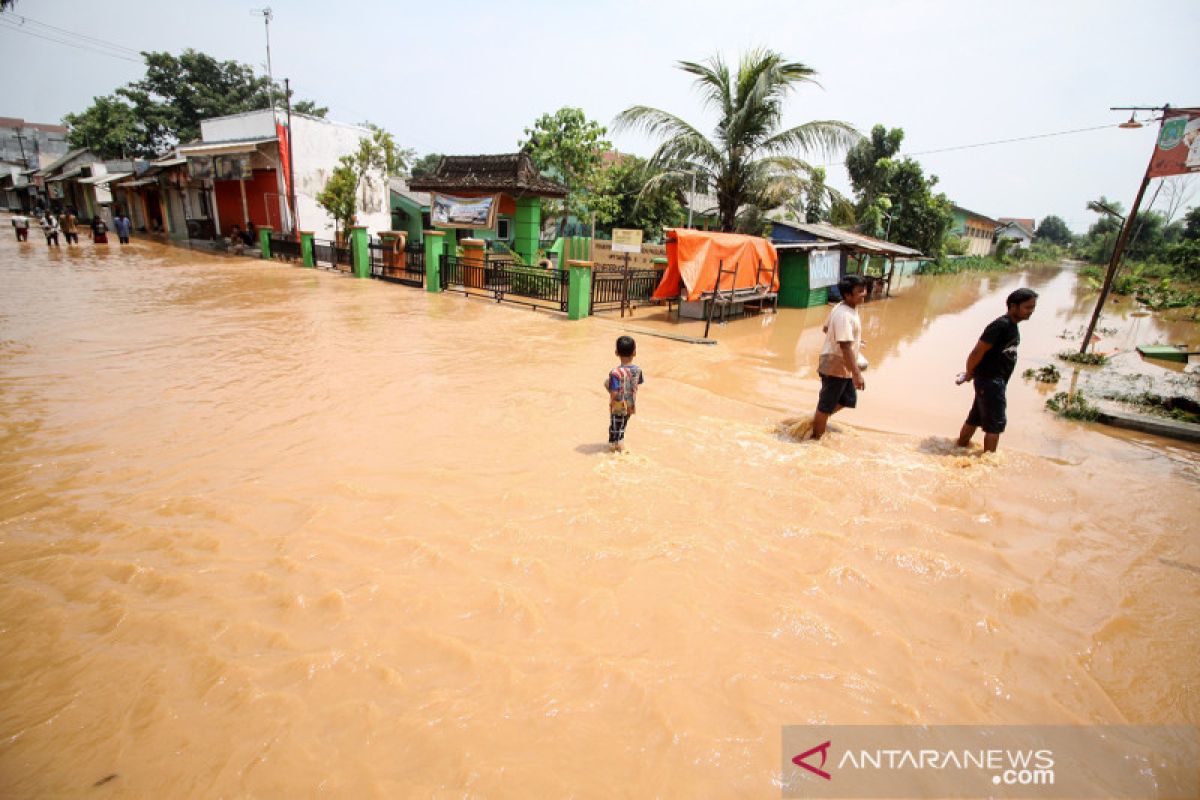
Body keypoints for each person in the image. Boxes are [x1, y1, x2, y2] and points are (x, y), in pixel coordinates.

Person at [956, 288, 1039, 454]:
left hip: (991, 382)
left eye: (1033, 307)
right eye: (1028, 307)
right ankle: (988, 464)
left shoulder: (1012, 327)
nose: (1031, 311)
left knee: (975, 418)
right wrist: (969, 373)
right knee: (995, 426)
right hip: (991, 382)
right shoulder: (1001, 325)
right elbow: (977, 352)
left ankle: (958, 447)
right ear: (1013, 306)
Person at [811, 274, 867, 440]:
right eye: (860, 291)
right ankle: (815, 439)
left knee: (848, 399)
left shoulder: (845, 307)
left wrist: (855, 340)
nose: (864, 293)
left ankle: (815, 419)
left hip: (842, 366)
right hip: (835, 366)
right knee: (825, 406)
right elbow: (844, 346)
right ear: (847, 295)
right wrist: (857, 374)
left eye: (864, 290)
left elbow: (826, 329)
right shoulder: (844, 314)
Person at [605, 335, 645, 453]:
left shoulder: (615, 373)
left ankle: (615, 448)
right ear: (635, 353)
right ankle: (620, 445)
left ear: (616, 353)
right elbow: (638, 382)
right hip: (630, 404)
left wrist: (611, 401)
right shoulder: (638, 370)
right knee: (623, 426)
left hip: (618, 405)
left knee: (614, 428)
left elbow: (614, 392)